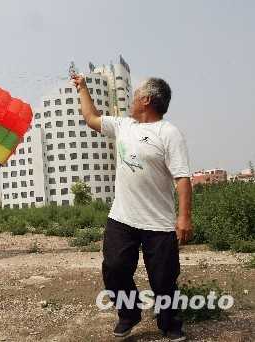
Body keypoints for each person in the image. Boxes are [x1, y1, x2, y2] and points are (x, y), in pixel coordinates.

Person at [73, 75, 192, 342]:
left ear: (146, 100)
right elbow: (91, 118)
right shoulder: (123, 125)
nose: (132, 97)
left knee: (163, 280)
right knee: (114, 268)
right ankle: (129, 315)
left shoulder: (168, 133)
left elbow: (182, 178)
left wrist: (183, 217)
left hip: (159, 223)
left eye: (136, 93)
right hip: (122, 218)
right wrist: (82, 88)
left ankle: (169, 323)